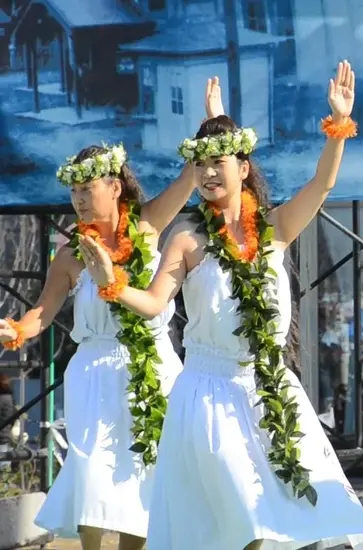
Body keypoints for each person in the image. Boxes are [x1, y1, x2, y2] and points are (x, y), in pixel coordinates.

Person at [77, 60, 363, 550]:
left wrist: (338, 125)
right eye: (200, 165)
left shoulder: (275, 229)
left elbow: (322, 185)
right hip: (209, 396)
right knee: (243, 522)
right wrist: (111, 283)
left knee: (290, 516)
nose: (208, 173)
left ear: (243, 166)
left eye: (218, 163)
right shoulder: (189, 239)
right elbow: (152, 303)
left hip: (269, 389)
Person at [0, 78, 221, 550]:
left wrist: (210, 124)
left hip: (152, 367)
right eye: (74, 191)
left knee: (145, 473)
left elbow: (190, 177)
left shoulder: (147, 227)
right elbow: (42, 312)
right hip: (94, 372)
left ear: (114, 186)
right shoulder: (70, 256)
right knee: (93, 474)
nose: (78, 199)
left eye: (87, 188)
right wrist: (18, 329)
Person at [0, 374, 15, 471]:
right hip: (5, 437)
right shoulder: (9, 397)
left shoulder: (2, 398)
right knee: (4, 471)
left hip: (1, 437)